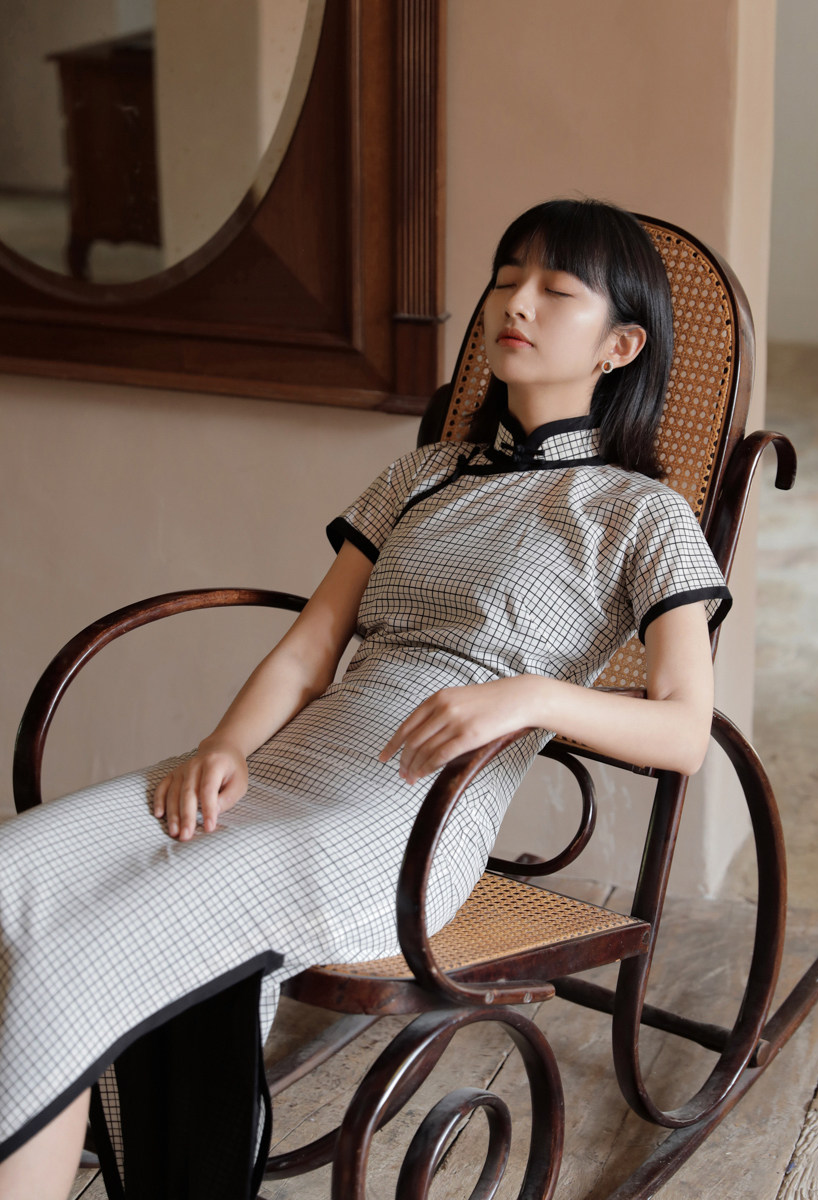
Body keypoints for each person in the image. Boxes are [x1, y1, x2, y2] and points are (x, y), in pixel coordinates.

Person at [0, 198, 731, 1199]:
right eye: (505, 278)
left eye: (555, 290)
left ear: (620, 345)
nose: (514, 303)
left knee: (79, 955)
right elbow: (310, 649)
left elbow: (684, 732)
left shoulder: (642, 513)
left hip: (400, 824)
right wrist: (225, 746)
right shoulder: (422, 475)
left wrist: (529, 697)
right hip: (286, 771)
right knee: (12, 878)